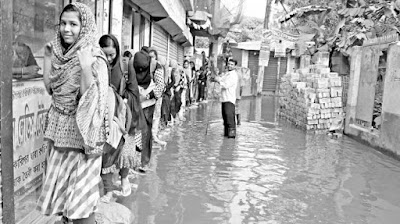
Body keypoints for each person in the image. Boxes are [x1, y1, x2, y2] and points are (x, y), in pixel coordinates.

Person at [37, 3, 108, 224]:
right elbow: (50, 89)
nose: (66, 29)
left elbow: (91, 103)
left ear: (84, 27)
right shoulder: (62, 54)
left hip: (82, 143)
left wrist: (86, 67)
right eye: (64, 23)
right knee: (66, 207)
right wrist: (48, 57)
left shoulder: (96, 58)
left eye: (73, 24)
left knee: (81, 207)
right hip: (60, 138)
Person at [98, 34, 145, 202]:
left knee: (125, 153)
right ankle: (109, 190)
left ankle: (124, 178)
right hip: (105, 120)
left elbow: (134, 94)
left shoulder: (126, 66)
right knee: (107, 155)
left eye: (112, 55)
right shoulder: (97, 66)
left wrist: (119, 100)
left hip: (124, 118)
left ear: (118, 52)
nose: (109, 59)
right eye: (105, 54)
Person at [133, 49, 164, 172]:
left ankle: (144, 162)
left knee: (145, 133)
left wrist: (147, 96)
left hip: (148, 104)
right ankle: (130, 162)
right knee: (131, 132)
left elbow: (161, 86)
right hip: (134, 102)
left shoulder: (156, 66)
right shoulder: (132, 64)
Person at [212, 59, 238, 138]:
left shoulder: (233, 75)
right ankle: (226, 136)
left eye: (232, 64)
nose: (230, 65)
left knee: (229, 120)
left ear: (235, 66)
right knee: (225, 119)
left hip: (229, 99)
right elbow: (221, 79)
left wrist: (218, 81)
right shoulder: (227, 74)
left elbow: (226, 85)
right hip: (224, 99)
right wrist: (216, 78)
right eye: (229, 64)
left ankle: (231, 138)